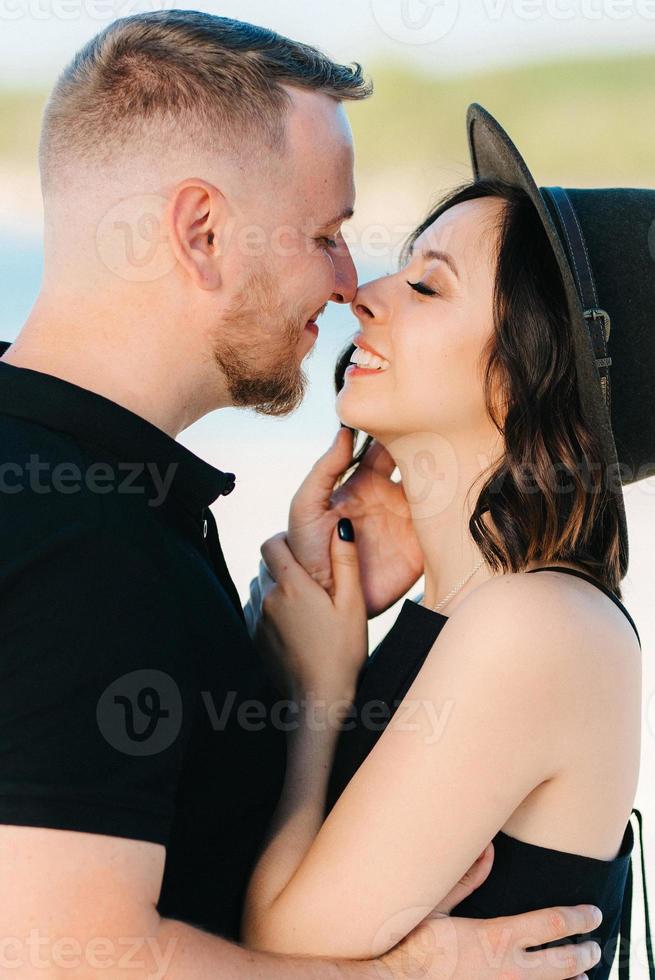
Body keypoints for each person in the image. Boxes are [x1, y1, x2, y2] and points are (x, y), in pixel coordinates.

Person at [0, 11, 604, 978]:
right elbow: (67, 960)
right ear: (201, 232)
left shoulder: (95, 497)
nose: (347, 283)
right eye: (325, 235)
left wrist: (279, 654)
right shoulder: (81, 541)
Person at [242, 105, 655, 980]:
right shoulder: (465, 608)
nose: (361, 296)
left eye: (426, 286)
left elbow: (277, 946)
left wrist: (322, 691)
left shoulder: (539, 624)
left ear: (528, 374)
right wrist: (327, 590)